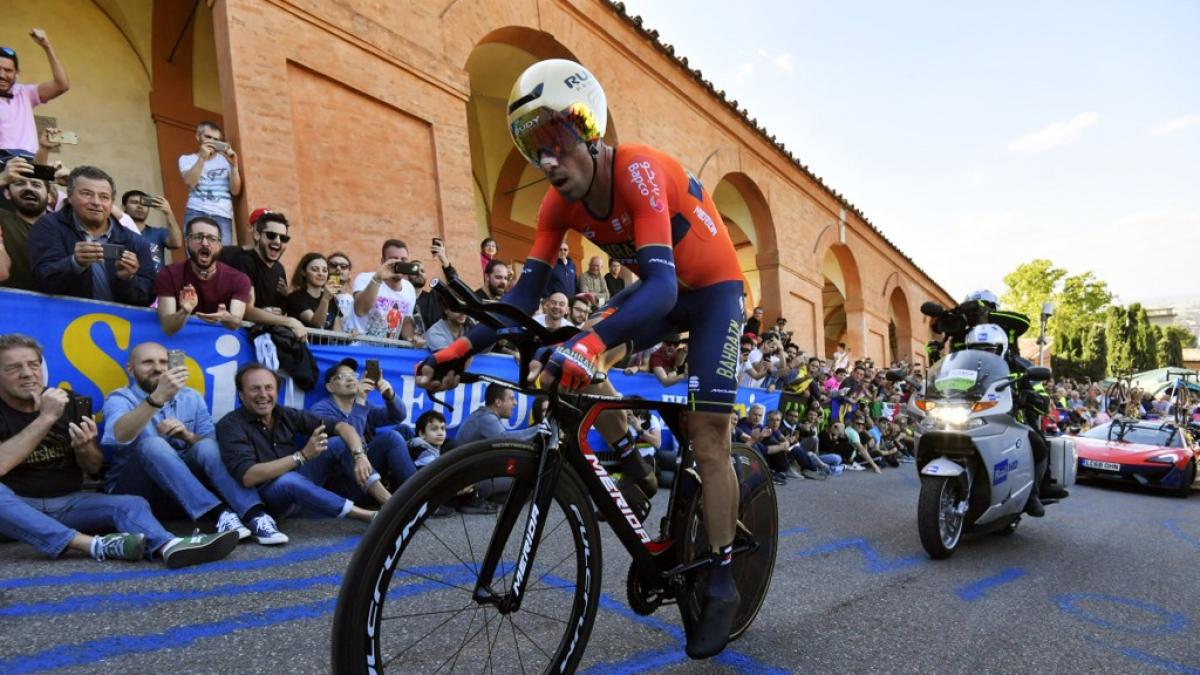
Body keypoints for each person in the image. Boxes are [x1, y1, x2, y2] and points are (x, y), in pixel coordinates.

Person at [417, 59, 749, 660]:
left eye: (555, 143)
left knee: (706, 437)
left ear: (588, 131)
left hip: (710, 294)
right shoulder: (556, 206)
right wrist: (461, 346)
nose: (546, 162)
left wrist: (588, 343)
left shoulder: (639, 170)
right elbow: (519, 299)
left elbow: (663, 291)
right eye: (531, 148)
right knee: (565, 365)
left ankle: (723, 577)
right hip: (660, 287)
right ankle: (635, 465)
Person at [0, 334, 238, 567]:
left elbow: (93, 467)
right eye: (13, 368)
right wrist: (46, 418)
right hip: (16, 506)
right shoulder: (54, 407)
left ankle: (168, 546)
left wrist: (85, 449)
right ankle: (91, 544)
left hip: (70, 504)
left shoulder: (69, 401)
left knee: (131, 504)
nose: (27, 373)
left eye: (33, 364)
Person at [101, 342, 288, 545]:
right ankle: (217, 515)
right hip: (139, 491)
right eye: (148, 362)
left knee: (207, 446)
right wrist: (157, 398)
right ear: (130, 369)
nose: (158, 368)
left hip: (182, 494)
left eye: (163, 362)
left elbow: (213, 445)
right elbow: (118, 435)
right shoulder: (120, 398)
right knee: (152, 444)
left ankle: (255, 515)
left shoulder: (191, 397)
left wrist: (187, 436)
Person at [216, 363, 388, 522]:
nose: (263, 394)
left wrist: (359, 455)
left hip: (300, 484)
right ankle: (370, 516)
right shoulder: (230, 425)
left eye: (269, 388)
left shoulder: (285, 414)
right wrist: (302, 456)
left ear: (276, 391)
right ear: (241, 395)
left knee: (338, 441)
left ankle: (390, 503)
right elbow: (248, 476)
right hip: (270, 501)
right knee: (288, 480)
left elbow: (342, 426)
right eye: (255, 389)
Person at [30, 166, 156, 306]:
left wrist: (127, 278)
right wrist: (74, 263)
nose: (96, 202)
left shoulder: (135, 242)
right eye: (87, 194)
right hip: (66, 323)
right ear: (70, 196)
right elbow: (42, 280)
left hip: (118, 325)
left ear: (111, 202)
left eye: (104, 197)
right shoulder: (49, 227)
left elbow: (147, 298)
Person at [308, 358, 416, 493]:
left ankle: (418, 490)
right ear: (330, 387)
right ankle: (414, 498)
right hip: (344, 481)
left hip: (369, 473)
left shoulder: (364, 405)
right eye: (342, 376)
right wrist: (360, 400)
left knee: (403, 431)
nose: (350, 379)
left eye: (353, 375)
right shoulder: (319, 410)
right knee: (390, 437)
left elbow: (397, 416)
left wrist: (390, 396)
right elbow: (351, 441)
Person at [155, 216, 251, 335]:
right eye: (198, 237)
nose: (205, 243)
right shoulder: (169, 274)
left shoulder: (239, 279)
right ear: (187, 242)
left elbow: (235, 322)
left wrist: (226, 318)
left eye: (212, 239)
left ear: (220, 246)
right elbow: (167, 328)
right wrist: (184, 311)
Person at [220, 210, 307, 339]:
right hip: (238, 338)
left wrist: (279, 313)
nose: (278, 241)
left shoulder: (279, 269)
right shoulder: (245, 262)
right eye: (271, 235)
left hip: (265, 340)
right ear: (256, 235)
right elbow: (247, 310)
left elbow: (279, 309)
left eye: (283, 238)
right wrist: (291, 322)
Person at [0, 31, 70, 154]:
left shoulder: (24, 93)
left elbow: (62, 85)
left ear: (17, 73)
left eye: (8, 70)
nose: (2, 75)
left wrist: (47, 46)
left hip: (28, 163)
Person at [178, 121, 241, 245]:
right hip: (196, 211)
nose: (211, 141)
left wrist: (234, 166)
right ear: (198, 137)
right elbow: (190, 182)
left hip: (222, 215)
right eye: (208, 137)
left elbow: (235, 191)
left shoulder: (226, 160)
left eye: (215, 139)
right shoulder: (187, 159)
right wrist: (202, 158)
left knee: (222, 258)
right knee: (195, 256)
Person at [347, 239, 418, 340]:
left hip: (387, 352)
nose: (399, 263)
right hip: (359, 348)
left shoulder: (409, 288)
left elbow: (405, 322)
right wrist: (377, 279)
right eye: (394, 259)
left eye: (403, 260)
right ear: (382, 261)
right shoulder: (365, 278)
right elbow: (360, 311)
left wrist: (412, 338)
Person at [0, 169, 49, 290]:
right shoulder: (2, 218)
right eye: (19, 183)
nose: (29, 188)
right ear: (7, 194)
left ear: (51, 196)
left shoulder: (65, 226)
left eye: (36, 185)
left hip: (61, 306)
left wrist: (71, 182)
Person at [121, 190, 181, 272]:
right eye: (134, 202)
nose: (140, 206)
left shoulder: (158, 233)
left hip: (157, 284)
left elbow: (177, 243)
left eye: (144, 204)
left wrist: (168, 213)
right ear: (124, 207)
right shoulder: (117, 233)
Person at [285, 252, 342, 331]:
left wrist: (350, 335)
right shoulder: (295, 298)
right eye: (315, 270)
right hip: (306, 343)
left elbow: (338, 332)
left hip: (328, 344)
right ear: (303, 272)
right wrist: (325, 299)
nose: (321, 274)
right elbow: (316, 324)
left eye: (325, 270)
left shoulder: (332, 299)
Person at [326, 251, 356, 330]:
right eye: (333, 265)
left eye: (343, 266)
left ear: (349, 273)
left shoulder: (355, 300)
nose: (338, 268)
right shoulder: (318, 296)